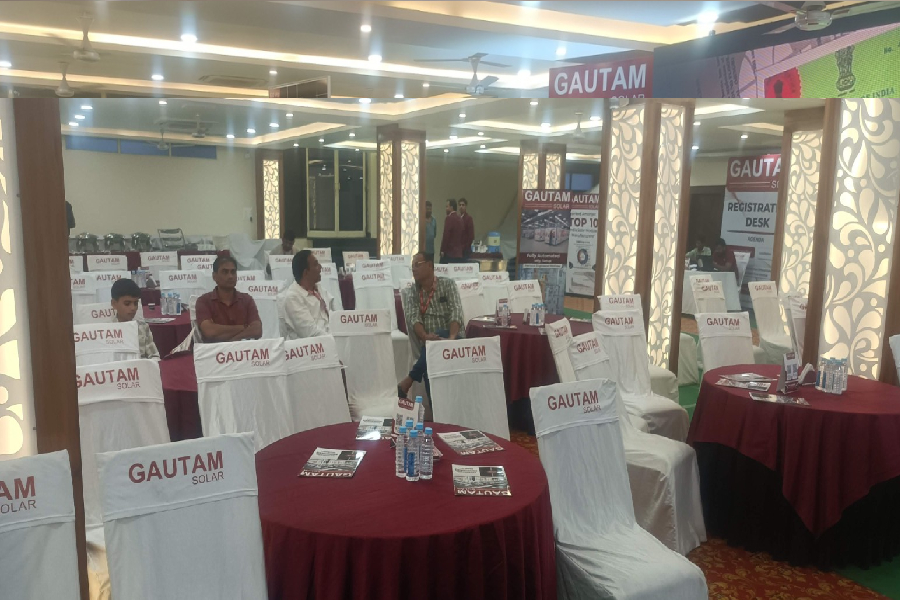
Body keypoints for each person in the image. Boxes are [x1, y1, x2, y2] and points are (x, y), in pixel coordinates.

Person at [398, 252, 464, 398]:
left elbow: (456, 312)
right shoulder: (412, 292)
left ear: (429, 265)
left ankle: (409, 380)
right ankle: (435, 409)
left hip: (454, 340)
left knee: (439, 336)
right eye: (412, 266)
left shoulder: (448, 285)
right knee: (431, 358)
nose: (413, 269)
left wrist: (451, 339)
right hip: (429, 342)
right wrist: (425, 337)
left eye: (417, 265)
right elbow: (413, 317)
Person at [195, 256, 263, 342]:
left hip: (243, 348)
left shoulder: (247, 299)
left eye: (233, 272)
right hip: (215, 349)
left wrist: (233, 339)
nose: (230, 276)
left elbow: (257, 330)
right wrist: (243, 327)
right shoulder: (204, 301)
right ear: (214, 276)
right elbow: (210, 331)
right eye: (225, 272)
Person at [279, 249, 332, 340]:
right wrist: (334, 339)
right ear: (306, 273)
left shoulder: (319, 289)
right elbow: (310, 333)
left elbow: (335, 315)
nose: (320, 267)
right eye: (316, 265)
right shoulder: (293, 297)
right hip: (314, 345)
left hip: (329, 339)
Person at [109, 278, 159, 359]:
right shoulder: (107, 331)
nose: (133, 308)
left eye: (135, 303)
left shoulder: (143, 327)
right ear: (114, 304)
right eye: (127, 304)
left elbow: (154, 356)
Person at [440, 199, 464, 264]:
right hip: (459, 253)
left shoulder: (449, 218)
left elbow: (446, 235)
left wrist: (442, 250)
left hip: (449, 252)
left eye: (447, 206)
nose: (446, 209)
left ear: (451, 207)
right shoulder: (460, 219)